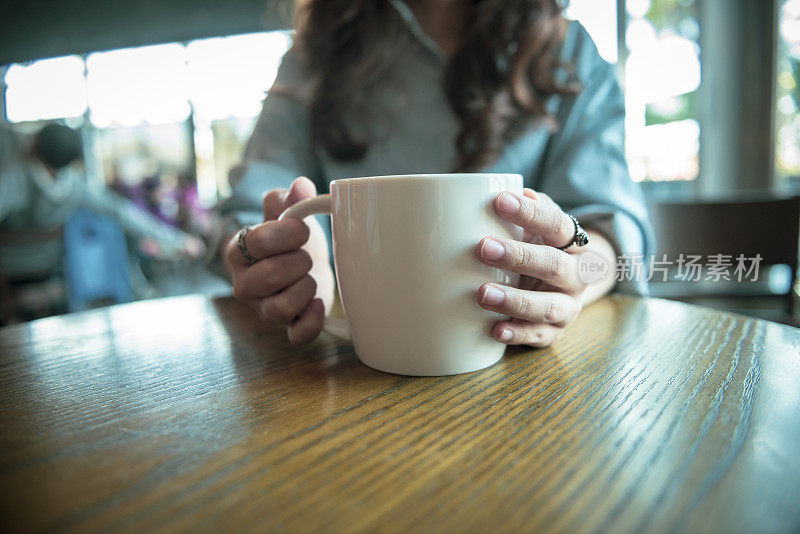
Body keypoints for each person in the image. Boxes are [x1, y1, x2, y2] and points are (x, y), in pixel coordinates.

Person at [217, 0, 654, 347]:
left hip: (516, 363)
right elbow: (246, 212)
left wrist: (577, 271)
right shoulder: (313, 54)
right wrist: (267, 252)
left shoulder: (569, 50)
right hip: (354, 359)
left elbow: (612, 234)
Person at [0, 123, 204, 284]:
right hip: (55, 265)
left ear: (35, 146)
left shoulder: (14, 179)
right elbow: (122, 211)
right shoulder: (77, 187)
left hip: (8, 266)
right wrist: (178, 240)